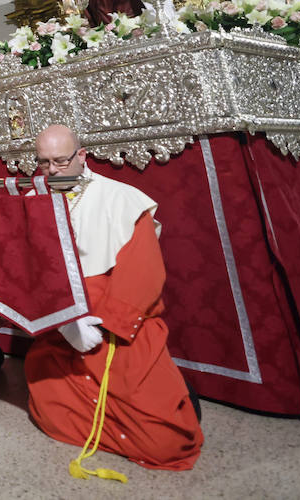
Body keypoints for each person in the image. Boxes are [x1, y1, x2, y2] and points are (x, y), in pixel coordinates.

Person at [25, 124, 203, 473]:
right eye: (44, 163)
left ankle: (176, 399)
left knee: (167, 444)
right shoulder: (32, 203)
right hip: (64, 331)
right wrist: (63, 323)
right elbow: (28, 274)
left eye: (61, 160)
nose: (53, 170)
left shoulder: (122, 198)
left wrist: (104, 323)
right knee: (47, 412)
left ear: (81, 155)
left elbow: (144, 275)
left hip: (119, 330)